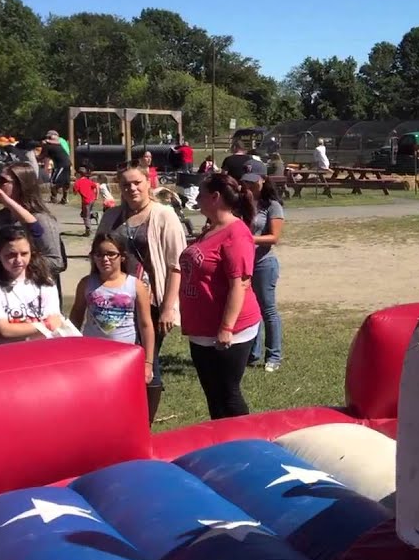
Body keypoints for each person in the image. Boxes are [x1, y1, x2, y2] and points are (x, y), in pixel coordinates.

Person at [96, 160, 187, 423]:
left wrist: (168, 308)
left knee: (148, 357)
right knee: (119, 359)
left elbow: (176, 264)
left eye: (137, 182)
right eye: (126, 184)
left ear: (148, 182)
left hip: (152, 301)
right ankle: (120, 414)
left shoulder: (164, 215)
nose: (132, 188)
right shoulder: (112, 216)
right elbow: (99, 252)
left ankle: (144, 420)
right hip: (117, 300)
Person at [179, 172, 261, 420]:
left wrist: (226, 328)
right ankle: (221, 440)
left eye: (201, 195)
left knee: (228, 395)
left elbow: (240, 284)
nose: (197, 200)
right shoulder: (211, 229)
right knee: (213, 396)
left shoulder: (236, 233)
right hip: (201, 329)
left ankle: (244, 439)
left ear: (215, 197)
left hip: (229, 331)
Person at [70, 233, 155, 383]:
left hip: (125, 355)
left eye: (111, 254)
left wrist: (148, 362)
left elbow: (145, 325)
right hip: (92, 354)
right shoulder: (86, 283)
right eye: (99, 254)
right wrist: (71, 347)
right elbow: (76, 316)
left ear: (122, 257)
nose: (105, 259)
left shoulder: (135, 285)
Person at [0, 224, 64, 345]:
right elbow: (2, 331)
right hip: (10, 352)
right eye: (11, 255)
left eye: (24, 254)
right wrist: (45, 325)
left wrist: (21, 330)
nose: (18, 260)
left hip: (44, 349)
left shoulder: (45, 283)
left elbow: (55, 322)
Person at [0, 163, 67, 295]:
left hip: (38, 292)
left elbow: (57, 262)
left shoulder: (42, 220)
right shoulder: (0, 218)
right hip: (5, 292)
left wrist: (19, 263)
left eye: (2, 181)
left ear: (21, 185)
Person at [240, 159, 285, 372]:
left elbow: (274, 237)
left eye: (253, 181)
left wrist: (246, 238)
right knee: (250, 309)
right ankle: (253, 353)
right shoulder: (241, 203)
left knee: (268, 310)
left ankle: (274, 355)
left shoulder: (272, 206)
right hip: (244, 263)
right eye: (246, 181)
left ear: (264, 179)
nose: (248, 185)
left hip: (264, 264)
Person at [42, 131, 71, 204]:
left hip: (61, 164)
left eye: (49, 137)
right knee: (65, 182)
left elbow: (44, 156)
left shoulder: (52, 144)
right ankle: (62, 198)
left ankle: (56, 198)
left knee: (54, 182)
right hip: (63, 163)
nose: (48, 138)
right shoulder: (61, 142)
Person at [72, 167, 99, 235]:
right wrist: (96, 195)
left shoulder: (77, 182)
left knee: (85, 216)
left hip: (86, 201)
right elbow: (95, 186)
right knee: (84, 213)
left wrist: (75, 187)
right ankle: (94, 215)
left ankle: (88, 230)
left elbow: (74, 193)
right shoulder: (88, 180)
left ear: (79, 174)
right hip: (92, 199)